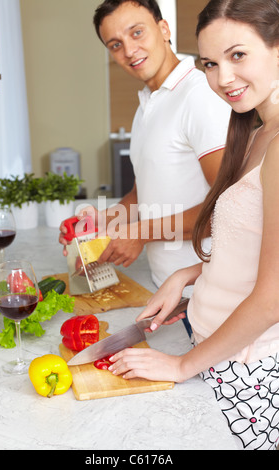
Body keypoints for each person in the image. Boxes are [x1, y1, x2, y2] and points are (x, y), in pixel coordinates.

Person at [107, 0, 279, 451]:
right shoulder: (254, 128)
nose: (223, 78)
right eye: (210, 63)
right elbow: (246, 241)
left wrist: (182, 367)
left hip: (249, 366)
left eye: (238, 55)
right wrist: (187, 275)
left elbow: (273, 296)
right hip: (214, 348)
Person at [59, 0, 231, 300]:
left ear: (163, 29)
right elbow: (144, 195)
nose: (128, 50)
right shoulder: (148, 106)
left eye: (137, 33)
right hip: (167, 289)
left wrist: (140, 233)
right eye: (115, 44)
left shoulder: (200, 97)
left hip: (210, 292)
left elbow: (226, 208)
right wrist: (103, 221)